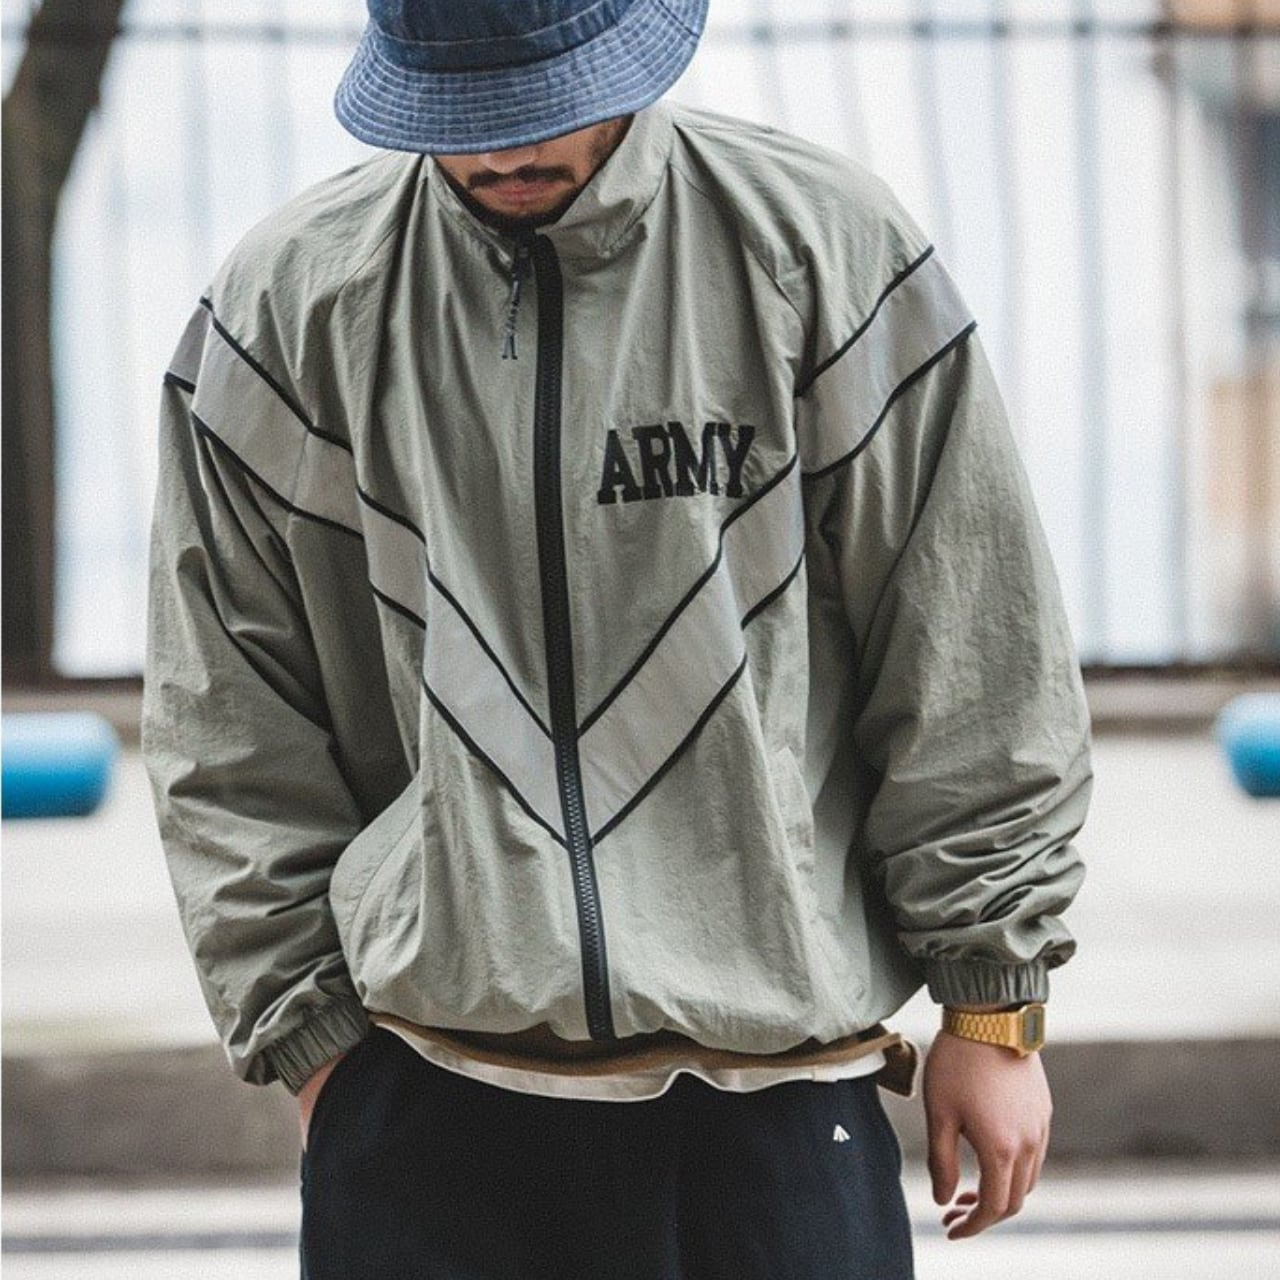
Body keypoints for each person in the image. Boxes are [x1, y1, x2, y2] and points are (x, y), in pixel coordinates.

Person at [142, 1, 1092, 1276]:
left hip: (777, 1093)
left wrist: (991, 1002)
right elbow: (225, 719)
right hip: (424, 1095)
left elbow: (969, 642)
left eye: (540, 99)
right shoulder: (288, 309)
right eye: (464, 110)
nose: (503, 147)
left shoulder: (820, 251)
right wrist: (314, 1051)